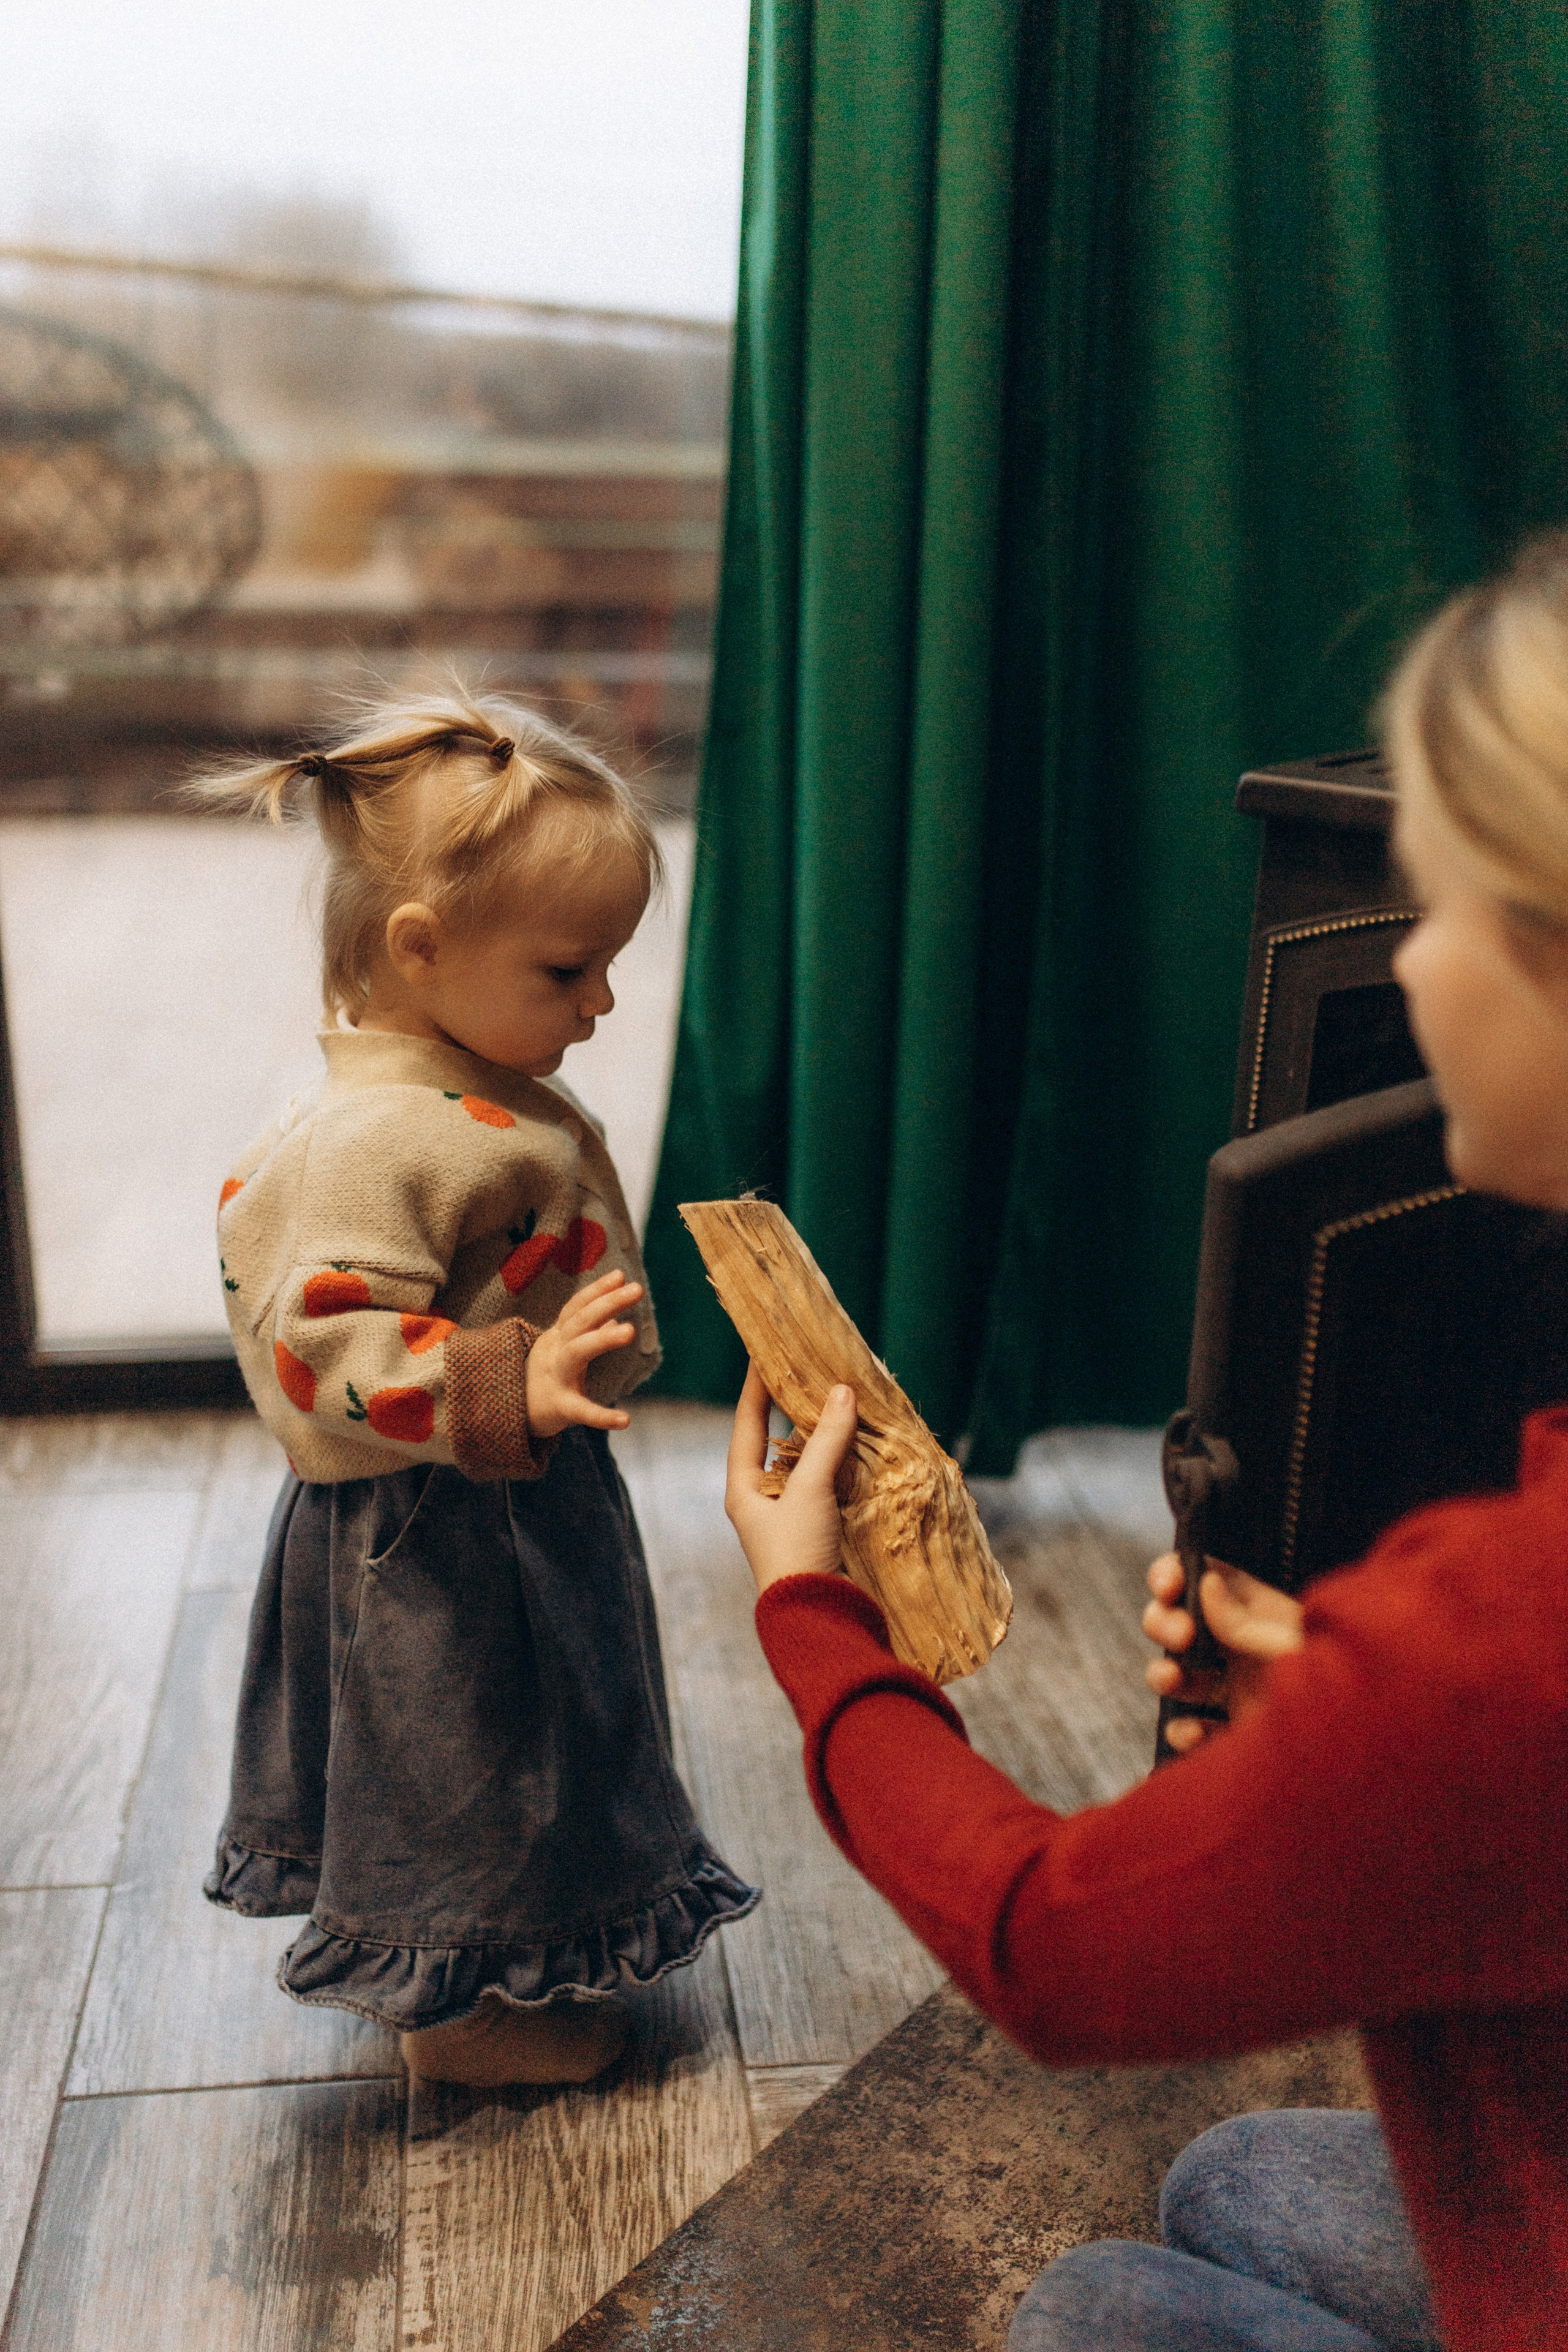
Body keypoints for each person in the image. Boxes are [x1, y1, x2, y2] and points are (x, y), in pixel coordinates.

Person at [724, 533, 1568, 2351]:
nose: (1408, 971)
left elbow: (1053, 1949)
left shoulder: (1505, 1633)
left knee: (1093, 2307)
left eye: (1431, 903)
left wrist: (815, 1620)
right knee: (1240, 2180)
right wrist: (1362, 1735)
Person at [198, 693, 756, 2087]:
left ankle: (522, 1953)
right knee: (460, 1762)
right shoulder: (373, 1138)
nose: (604, 1002)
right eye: (570, 970)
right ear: (418, 950)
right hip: (432, 1528)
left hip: (512, 1492)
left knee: (541, 1735)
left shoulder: (462, 1082)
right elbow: (319, 1340)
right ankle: (461, 2015)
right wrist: (506, 1379)